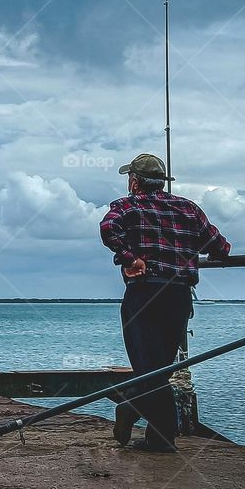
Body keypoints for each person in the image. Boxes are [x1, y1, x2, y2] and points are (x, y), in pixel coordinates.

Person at [99, 153, 230, 452]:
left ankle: (145, 420)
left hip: (144, 295)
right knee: (159, 369)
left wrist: (130, 258)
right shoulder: (188, 208)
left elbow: (108, 229)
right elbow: (219, 247)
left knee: (149, 368)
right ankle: (152, 429)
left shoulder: (127, 205)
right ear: (162, 182)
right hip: (178, 297)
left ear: (134, 181)